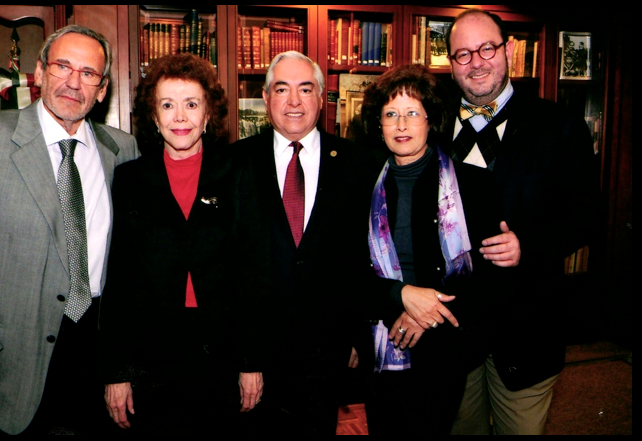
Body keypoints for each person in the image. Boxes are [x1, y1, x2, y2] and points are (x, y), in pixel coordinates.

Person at [0, 25, 140, 435]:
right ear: (40, 72)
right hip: (9, 357)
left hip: (98, 352)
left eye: (88, 73)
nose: (74, 82)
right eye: (63, 66)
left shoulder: (123, 149)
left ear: (102, 89)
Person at [443, 9, 599, 435]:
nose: (476, 62)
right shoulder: (429, 123)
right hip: (453, 330)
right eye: (463, 54)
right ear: (450, 64)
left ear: (508, 50)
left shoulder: (559, 125)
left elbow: (586, 213)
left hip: (527, 329)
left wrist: (526, 245)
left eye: (486, 48)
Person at [230, 51, 378, 434]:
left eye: (306, 89)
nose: (294, 101)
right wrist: (246, 357)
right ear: (266, 98)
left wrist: (356, 336)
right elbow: (228, 267)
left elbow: (365, 258)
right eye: (282, 89)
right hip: (257, 353)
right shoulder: (234, 163)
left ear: (321, 97)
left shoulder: (358, 164)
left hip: (327, 354)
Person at [360, 63, 507, 435]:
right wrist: (401, 296)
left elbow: (487, 277)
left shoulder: (473, 185)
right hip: (381, 339)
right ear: (379, 124)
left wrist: (425, 313)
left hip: (445, 347)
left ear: (431, 120)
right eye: (391, 114)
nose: (402, 125)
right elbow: (346, 269)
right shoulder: (359, 186)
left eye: (412, 113)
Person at [99, 53, 240, 436]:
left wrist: (250, 363)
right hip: (152, 358)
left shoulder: (236, 174)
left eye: (191, 104)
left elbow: (252, 274)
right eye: (167, 105)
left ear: (208, 115)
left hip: (220, 354)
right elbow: (120, 281)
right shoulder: (129, 180)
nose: (180, 117)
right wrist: (118, 371)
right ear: (154, 116)